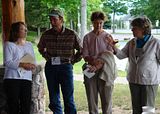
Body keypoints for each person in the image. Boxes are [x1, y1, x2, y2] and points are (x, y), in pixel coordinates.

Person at [111, 16, 160, 114]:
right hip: (133, 80)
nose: (132, 29)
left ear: (143, 29)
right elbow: (121, 55)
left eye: (134, 27)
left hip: (149, 82)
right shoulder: (132, 42)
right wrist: (113, 46)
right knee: (136, 109)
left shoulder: (156, 43)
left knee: (147, 110)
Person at [37, 8, 82, 114]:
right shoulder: (46, 34)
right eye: (50, 19)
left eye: (54, 19)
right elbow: (40, 48)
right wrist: (47, 57)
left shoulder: (71, 34)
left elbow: (81, 50)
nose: (51, 22)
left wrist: (73, 61)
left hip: (66, 67)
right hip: (51, 68)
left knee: (68, 98)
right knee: (54, 98)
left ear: (61, 19)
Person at [82, 11, 117, 114]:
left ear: (103, 22)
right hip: (90, 70)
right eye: (96, 23)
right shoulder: (87, 37)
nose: (98, 25)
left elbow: (109, 55)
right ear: (92, 22)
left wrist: (98, 65)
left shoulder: (108, 36)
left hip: (105, 70)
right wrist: (93, 62)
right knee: (91, 99)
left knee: (106, 99)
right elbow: (85, 55)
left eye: (101, 23)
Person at [3, 22, 36, 114]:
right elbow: (8, 62)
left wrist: (32, 65)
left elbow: (34, 61)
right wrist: (23, 65)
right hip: (12, 79)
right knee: (13, 106)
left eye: (26, 29)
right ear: (16, 31)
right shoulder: (8, 45)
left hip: (26, 78)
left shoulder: (29, 45)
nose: (25, 30)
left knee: (26, 105)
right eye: (22, 29)